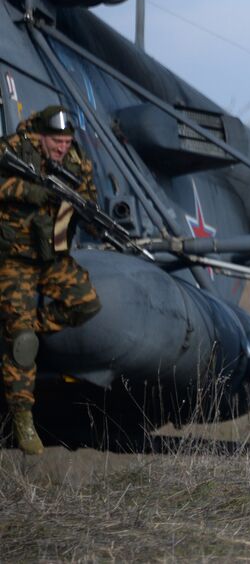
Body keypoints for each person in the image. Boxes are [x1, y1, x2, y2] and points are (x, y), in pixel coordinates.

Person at [0, 106, 102, 456]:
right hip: (14, 258)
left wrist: (91, 217)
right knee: (22, 343)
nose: (62, 148)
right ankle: (22, 418)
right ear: (41, 137)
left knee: (86, 303)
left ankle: (23, 328)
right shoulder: (12, 149)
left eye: (67, 142)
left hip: (52, 255)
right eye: (56, 141)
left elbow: (88, 200)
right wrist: (31, 192)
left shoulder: (76, 162)